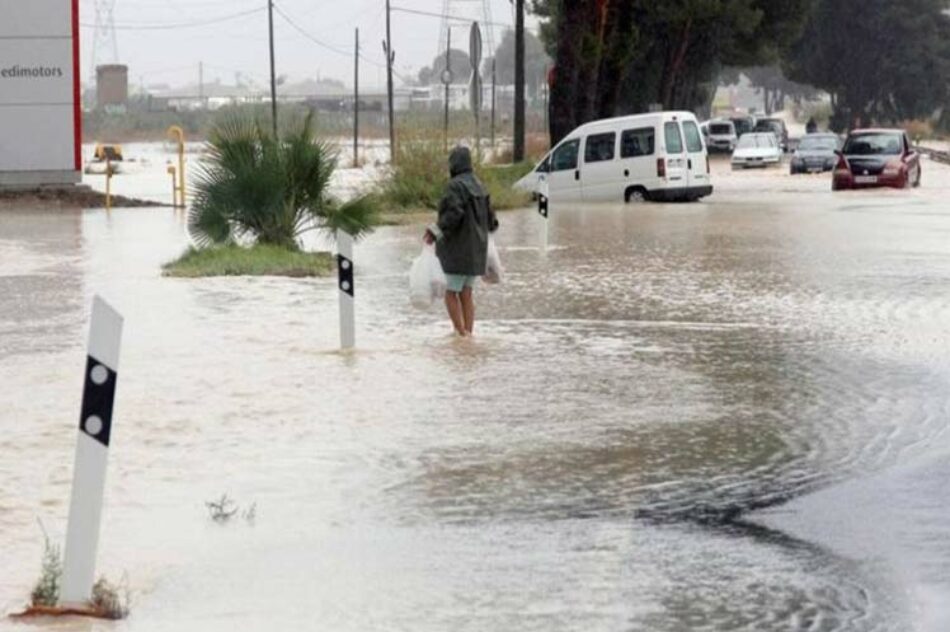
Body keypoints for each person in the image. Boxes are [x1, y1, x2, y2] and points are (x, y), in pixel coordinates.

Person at [424, 146, 498, 337]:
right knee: (466, 293)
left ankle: (459, 334)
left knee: (450, 293)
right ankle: (469, 334)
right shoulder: (480, 186)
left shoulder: (455, 186)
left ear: (454, 164)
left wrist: (434, 232)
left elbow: (452, 215)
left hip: (457, 252)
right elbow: (492, 221)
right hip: (476, 253)